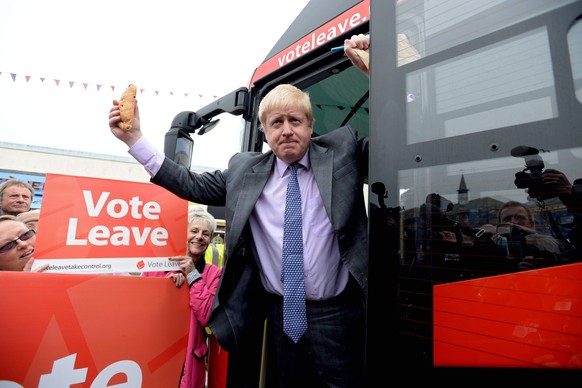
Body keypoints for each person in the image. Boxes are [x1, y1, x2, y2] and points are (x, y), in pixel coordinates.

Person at [109, 35, 370, 387]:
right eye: (276, 123)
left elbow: (397, 140)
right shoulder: (244, 171)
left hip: (337, 312)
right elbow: (190, 184)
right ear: (264, 132)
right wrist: (135, 141)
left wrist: (376, 73)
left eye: (296, 120)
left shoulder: (343, 150)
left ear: (310, 126)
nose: (287, 130)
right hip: (280, 314)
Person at [142, 209, 222, 388]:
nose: (199, 237)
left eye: (205, 234)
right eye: (194, 231)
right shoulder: (156, 265)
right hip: (157, 354)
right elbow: (143, 308)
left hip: (190, 361)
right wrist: (167, 286)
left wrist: (193, 274)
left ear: (210, 240)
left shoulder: (213, 273)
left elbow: (207, 315)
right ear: (182, 233)